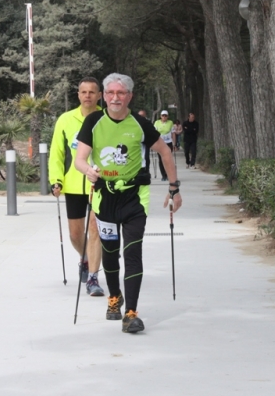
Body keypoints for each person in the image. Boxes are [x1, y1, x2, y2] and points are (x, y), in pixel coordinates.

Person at [75, 73, 182, 334]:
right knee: (110, 253)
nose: (115, 98)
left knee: (133, 252)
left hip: (135, 198)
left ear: (129, 96)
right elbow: (79, 159)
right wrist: (88, 171)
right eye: (110, 92)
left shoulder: (140, 124)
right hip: (105, 197)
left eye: (121, 93)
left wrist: (174, 188)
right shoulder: (93, 121)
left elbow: (165, 152)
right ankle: (114, 297)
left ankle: (131, 313)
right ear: (104, 95)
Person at [49, 77, 105, 296]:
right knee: (75, 234)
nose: (87, 96)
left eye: (92, 92)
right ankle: (85, 258)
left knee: (94, 229)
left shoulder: (106, 118)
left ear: (99, 95)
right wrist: (56, 180)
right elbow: (57, 153)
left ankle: (93, 278)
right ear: (78, 95)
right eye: (84, 92)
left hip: (99, 184)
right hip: (73, 184)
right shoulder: (65, 119)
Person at [153, 110, 174, 181]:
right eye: (163, 115)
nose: (164, 117)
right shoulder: (157, 122)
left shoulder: (170, 122)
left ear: (168, 116)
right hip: (160, 143)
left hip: (168, 142)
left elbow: (173, 133)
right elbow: (154, 133)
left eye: (165, 115)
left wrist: (174, 143)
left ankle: (169, 174)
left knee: (168, 159)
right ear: (160, 116)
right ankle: (163, 175)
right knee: (161, 159)